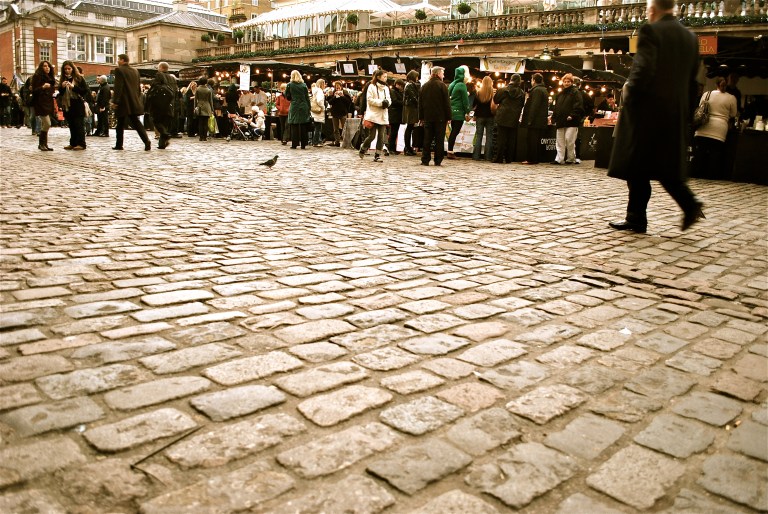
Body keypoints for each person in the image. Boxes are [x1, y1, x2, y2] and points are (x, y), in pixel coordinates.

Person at [607, 0, 703, 233]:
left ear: (652, 9)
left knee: (638, 166)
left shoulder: (651, 30)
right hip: (674, 114)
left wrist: (629, 100)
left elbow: (642, 69)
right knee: (661, 167)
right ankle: (679, 208)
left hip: (647, 112)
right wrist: (687, 115)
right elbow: (693, 83)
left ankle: (640, 217)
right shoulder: (690, 37)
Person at [692, 77, 737, 179]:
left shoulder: (707, 94)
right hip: (719, 130)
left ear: (715, 84)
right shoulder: (731, 98)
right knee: (715, 154)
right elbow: (733, 114)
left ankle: (697, 174)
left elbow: (700, 108)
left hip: (703, 127)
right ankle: (711, 176)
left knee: (700, 152)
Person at [112, 54, 151, 151]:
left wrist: (115, 101)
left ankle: (119, 144)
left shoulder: (119, 70)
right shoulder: (135, 71)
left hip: (123, 101)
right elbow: (138, 88)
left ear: (123, 60)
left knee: (120, 124)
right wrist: (136, 98)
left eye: (118, 59)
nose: (117, 61)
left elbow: (118, 87)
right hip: (133, 100)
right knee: (136, 123)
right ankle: (146, 141)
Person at [419, 66, 451, 166]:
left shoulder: (424, 86)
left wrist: (421, 117)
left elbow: (420, 103)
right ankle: (438, 159)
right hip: (440, 117)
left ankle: (425, 159)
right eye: (442, 73)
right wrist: (449, 116)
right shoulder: (442, 86)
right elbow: (447, 103)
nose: (443, 75)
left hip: (428, 116)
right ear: (437, 74)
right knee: (439, 139)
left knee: (427, 139)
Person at [359, 69, 391, 162]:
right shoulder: (371, 86)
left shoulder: (386, 88)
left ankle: (377, 155)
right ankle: (363, 147)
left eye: (386, 77)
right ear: (378, 77)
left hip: (383, 115)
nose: (386, 78)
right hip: (373, 114)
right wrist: (381, 103)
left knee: (381, 136)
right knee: (372, 136)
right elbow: (369, 100)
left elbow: (389, 99)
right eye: (384, 76)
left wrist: (387, 103)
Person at [492, 74, 525, 164]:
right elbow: (522, 105)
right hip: (514, 118)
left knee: (501, 139)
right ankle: (508, 158)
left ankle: (499, 158)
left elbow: (495, 100)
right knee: (511, 139)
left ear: (511, 80)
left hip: (502, 117)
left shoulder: (503, 90)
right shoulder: (522, 93)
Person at [552, 73, 583, 164]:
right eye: (565, 81)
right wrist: (554, 117)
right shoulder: (560, 94)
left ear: (572, 82)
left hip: (572, 120)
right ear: (562, 83)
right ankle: (559, 159)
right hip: (560, 120)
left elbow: (578, 105)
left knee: (569, 140)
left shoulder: (575, 92)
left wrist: (572, 115)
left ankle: (570, 158)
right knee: (560, 140)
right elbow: (556, 107)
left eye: (568, 81)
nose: (566, 83)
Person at [58, 61, 89, 150]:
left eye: (69, 69)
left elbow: (85, 91)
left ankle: (81, 144)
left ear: (73, 69)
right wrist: (62, 87)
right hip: (68, 105)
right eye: (65, 69)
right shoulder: (63, 79)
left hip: (77, 104)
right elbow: (60, 93)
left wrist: (73, 87)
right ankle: (73, 143)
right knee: (71, 125)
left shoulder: (79, 78)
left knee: (78, 124)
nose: (67, 71)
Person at [147, 62, 178, 149]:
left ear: (160, 68)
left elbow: (154, 88)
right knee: (165, 124)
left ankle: (165, 135)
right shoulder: (173, 79)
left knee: (156, 121)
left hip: (160, 105)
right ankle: (161, 144)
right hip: (170, 104)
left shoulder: (159, 75)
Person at [521, 73, 549, 165]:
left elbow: (534, 106)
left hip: (535, 121)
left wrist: (529, 120)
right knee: (536, 140)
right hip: (540, 120)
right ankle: (535, 158)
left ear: (534, 80)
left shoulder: (536, 90)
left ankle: (531, 159)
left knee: (532, 140)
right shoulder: (543, 90)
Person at [447, 66, 471, 159]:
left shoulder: (453, 84)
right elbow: (465, 101)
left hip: (452, 111)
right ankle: (450, 151)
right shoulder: (462, 85)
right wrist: (467, 112)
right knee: (455, 132)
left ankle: (450, 150)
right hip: (459, 112)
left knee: (453, 131)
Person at [31, 60, 55, 151]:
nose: (47, 68)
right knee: (47, 123)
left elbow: (51, 90)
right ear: (41, 67)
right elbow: (34, 91)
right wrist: (43, 87)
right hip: (40, 103)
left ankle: (44, 144)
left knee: (46, 124)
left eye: (48, 66)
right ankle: (41, 144)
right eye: (45, 66)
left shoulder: (50, 78)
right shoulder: (37, 77)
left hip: (48, 102)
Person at [472, 75, 495, 161]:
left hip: (480, 116)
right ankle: (488, 156)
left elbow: (474, 105)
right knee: (489, 137)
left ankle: (476, 156)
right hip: (490, 116)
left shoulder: (478, 93)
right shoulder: (493, 93)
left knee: (479, 136)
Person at [286, 70, 310, 149]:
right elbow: (307, 97)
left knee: (294, 125)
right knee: (303, 125)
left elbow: (288, 97)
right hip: (304, 106)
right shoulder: (304, 85)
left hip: (295, 106)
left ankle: (294, 143)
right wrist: (309, 107)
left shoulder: (290, 85)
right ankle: (303, 144)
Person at [572, 76, 593, 164]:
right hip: (574, 117)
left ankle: (576, 156)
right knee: (573, 137)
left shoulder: (583, 94)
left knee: (576, 137)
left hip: (578, 117)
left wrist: (585, 115)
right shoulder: (581, 93)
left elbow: (591, 105)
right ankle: (574, 156)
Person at [327, 81, 352, 147]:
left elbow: (349, 102)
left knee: (344, 128)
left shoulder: (345, 93)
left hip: (343, 112)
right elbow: (330, 102)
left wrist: (342, 96)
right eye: (336, 87)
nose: (337, 88)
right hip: (335, 113)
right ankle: (337, 141)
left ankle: (345, 141)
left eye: (338, 87)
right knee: (336, 128)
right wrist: (335, 96)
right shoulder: (332, 93)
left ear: (341, 87)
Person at [402, 70, 421, 156]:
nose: (418, 78)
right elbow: (414, 97)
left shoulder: (411, 85)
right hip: (410, 109)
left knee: (410, 127)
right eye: (416, 76)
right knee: (409, 128)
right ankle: (407, 147)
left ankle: (408, 147)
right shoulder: (409, 85)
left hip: (411, 108)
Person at [387, 79, 405, 155]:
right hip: (394, 114)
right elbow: (394, 101)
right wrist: (403, 102)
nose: (401, 88)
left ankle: (393, 148)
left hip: (396, 114)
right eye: (401, 86)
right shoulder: (393, 91)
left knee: (395, 131)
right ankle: (391, 148)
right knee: (393, 132)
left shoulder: (397, 92)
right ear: (397, 84)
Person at [310, 79, 326, 147]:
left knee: (316, 127)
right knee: (318, 127)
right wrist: (323, 107)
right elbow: (320, 101)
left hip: (314, 111)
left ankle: (316, 141)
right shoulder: (320, 91)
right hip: (319, 111)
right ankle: (316, 142)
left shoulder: (315, 91)